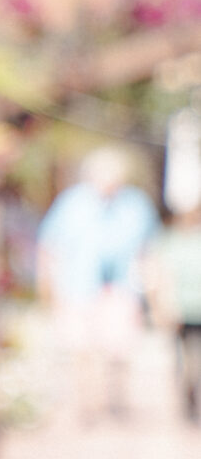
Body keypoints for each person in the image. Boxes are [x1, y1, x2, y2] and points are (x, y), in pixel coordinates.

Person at [36, 145, 157, 422]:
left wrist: (153, 290)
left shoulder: (135, 204)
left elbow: (149, 249)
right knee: (82, 350)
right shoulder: (71, 203)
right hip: (78, 289)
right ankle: (87, 406)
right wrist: (47, 288)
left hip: (121, 289)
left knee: (119, 349)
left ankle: (116, 404)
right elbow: (49, 246)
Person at [144, 201, 201, 423]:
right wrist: (159, 306)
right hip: (181, 311)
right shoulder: (169, 241)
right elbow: (157, 274)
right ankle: (188, 401)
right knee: (185, 360)